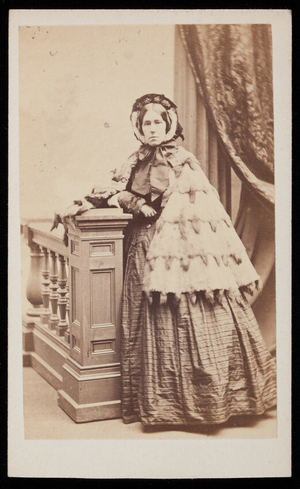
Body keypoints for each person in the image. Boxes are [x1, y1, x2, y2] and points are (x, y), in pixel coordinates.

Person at [53, 93, 276, 427]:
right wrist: (131, 203)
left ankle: (211, 402)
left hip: (184, 250)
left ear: (169, 123)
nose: (153, 128)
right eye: (146, 123)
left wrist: (165, 210)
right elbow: (113, 188)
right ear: (138, 127)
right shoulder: (135, 159)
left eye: (158, 122)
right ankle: (161, 406)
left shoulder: (183, 159)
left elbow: (200, 206)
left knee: (196, 311)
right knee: (146, 313)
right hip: (143, 243)